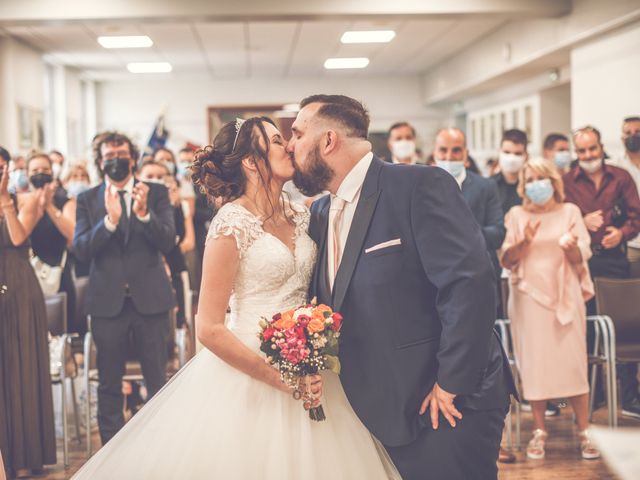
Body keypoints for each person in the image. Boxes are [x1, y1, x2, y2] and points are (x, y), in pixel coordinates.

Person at [71, 118, 398, 479]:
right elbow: (208, 327)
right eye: (276, 140)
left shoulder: (302, 215)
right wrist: (280, 379)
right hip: (248, 370)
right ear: (248, 159)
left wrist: (311, 349)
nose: (289, 146)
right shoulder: (231, 222)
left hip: (308, 362)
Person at [291, 95, 516, 480]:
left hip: (444, 406)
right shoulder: (321, 212)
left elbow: (469, 284)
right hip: (376, 411)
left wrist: (451, 383)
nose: (290, 144)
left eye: (297, 134)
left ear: (328, 141)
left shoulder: (419, 185)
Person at [73, 132, 177, 444]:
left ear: (132, 158)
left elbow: (168, 241)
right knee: (108, 383)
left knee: (157, 380)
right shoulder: (88, 199)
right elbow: (80, 250)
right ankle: (112, 453)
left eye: (121, 153)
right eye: (108, 155)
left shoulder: (155, 193)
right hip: (108, 304)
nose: (115, 159)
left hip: (151, 301)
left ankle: (160, 445)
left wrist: (144, 215)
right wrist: (108, 223)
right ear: (100, 161)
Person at [501, 158, 600, 460]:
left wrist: (571, 248)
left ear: (553, 182)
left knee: (572, 362)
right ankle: (539, 430)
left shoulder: (570, 212)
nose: (535, 184)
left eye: (540, 178)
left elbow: (581, 254)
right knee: (536, 365)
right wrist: (524, 243)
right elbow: (506, 259)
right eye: (529, 179)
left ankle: (584, 430)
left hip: (564, 296)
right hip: (529, 300)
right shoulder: (516, 215)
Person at [563, 125, 640, 419]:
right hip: (580, 263)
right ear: (576, 152)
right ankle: (591, 395)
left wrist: (621, 233)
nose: (588, 155)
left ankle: (630, 396)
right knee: (584, 329)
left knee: (620, 325)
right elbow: (558, 217)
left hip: (614, 260)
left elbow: (636, 216)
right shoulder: (567, 181)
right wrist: (580, 220)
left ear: (601, 147)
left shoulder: (620, 177)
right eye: (581, 151)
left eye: (592, 149)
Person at [0, 147, 56, 478]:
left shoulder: (26, 199)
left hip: (20, 287)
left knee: (20, 368)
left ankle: (24, 457)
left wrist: (5, 198)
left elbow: (19, 236)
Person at [27, 153, 79, 332]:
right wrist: (36, 208)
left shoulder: (65, 201)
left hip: (59, 271)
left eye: (45, 169)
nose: (40, 173)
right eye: (35, 170)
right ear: (27, 174)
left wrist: (49, 206)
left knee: (63, 329)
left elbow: (72, 235)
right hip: (29, 273)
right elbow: (20, 236)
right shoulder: (21, 202)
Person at [138, 159, 189, 327]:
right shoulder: (136, 204)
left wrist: (174, 206)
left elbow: (180, 235)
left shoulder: (175, 204)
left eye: (160, 176)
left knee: (176, 321)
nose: (155, 179)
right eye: (150, 176)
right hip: (145, 271)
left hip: (172, 267)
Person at [608, 116, 640, 276]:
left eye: (637, 132)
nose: (633, 135)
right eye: (628, 132)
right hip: (630, 242)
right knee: (632, 291)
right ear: (622, 138)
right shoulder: (614, 166)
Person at [492, 129, 529, 216]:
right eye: (507, 152)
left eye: (517, 154)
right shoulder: (489, 186)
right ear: (499, 152)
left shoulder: (531, 186)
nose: (511, 159)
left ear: (526, 156)